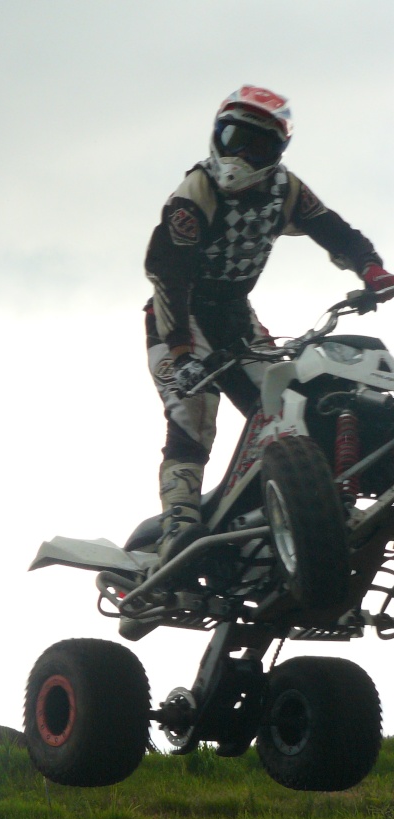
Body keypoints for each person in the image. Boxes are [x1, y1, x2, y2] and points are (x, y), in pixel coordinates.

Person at [145, 85, 394, 563]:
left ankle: (289, 507)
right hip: (177, 317)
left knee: (284, 401)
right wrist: (179, 351)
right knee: (194, 408)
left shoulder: (286, 190)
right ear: (217, 136)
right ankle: (180, 520)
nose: (241, 152)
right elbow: (167, 274)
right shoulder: (194, 193)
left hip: (236, 316)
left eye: (256, 144)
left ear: (276, 152)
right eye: (234, 137)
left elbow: (335, 230)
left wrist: (371, 268)